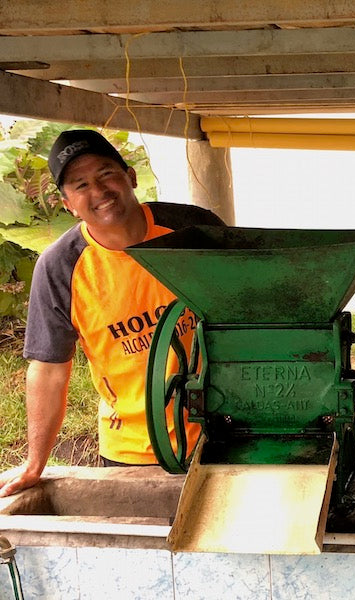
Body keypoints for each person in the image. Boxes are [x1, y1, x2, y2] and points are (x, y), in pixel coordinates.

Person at [0, 129, 225, 497]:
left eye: (106, 174)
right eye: (81, 184)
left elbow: (250, 309)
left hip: (223, 432)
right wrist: (34, 463)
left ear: (130, 177)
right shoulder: (60, 266)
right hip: (135, 448)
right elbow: (48, 370)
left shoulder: (193, 229)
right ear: (67, 203)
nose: (99, 191)